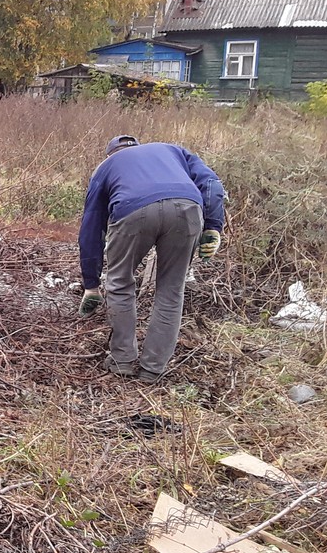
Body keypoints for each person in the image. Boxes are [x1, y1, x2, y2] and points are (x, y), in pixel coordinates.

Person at [78, 135, 225, 382]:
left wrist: (91, 284)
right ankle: (152, 370)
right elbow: (211, 182)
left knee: (120, 282)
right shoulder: (172, 150)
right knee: (171, 290)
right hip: (188, 206)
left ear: (109, 154)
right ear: (139, 147)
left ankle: (122, 360)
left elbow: (91, 228)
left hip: (132, 209)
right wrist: (212, 225)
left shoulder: (105, 168)